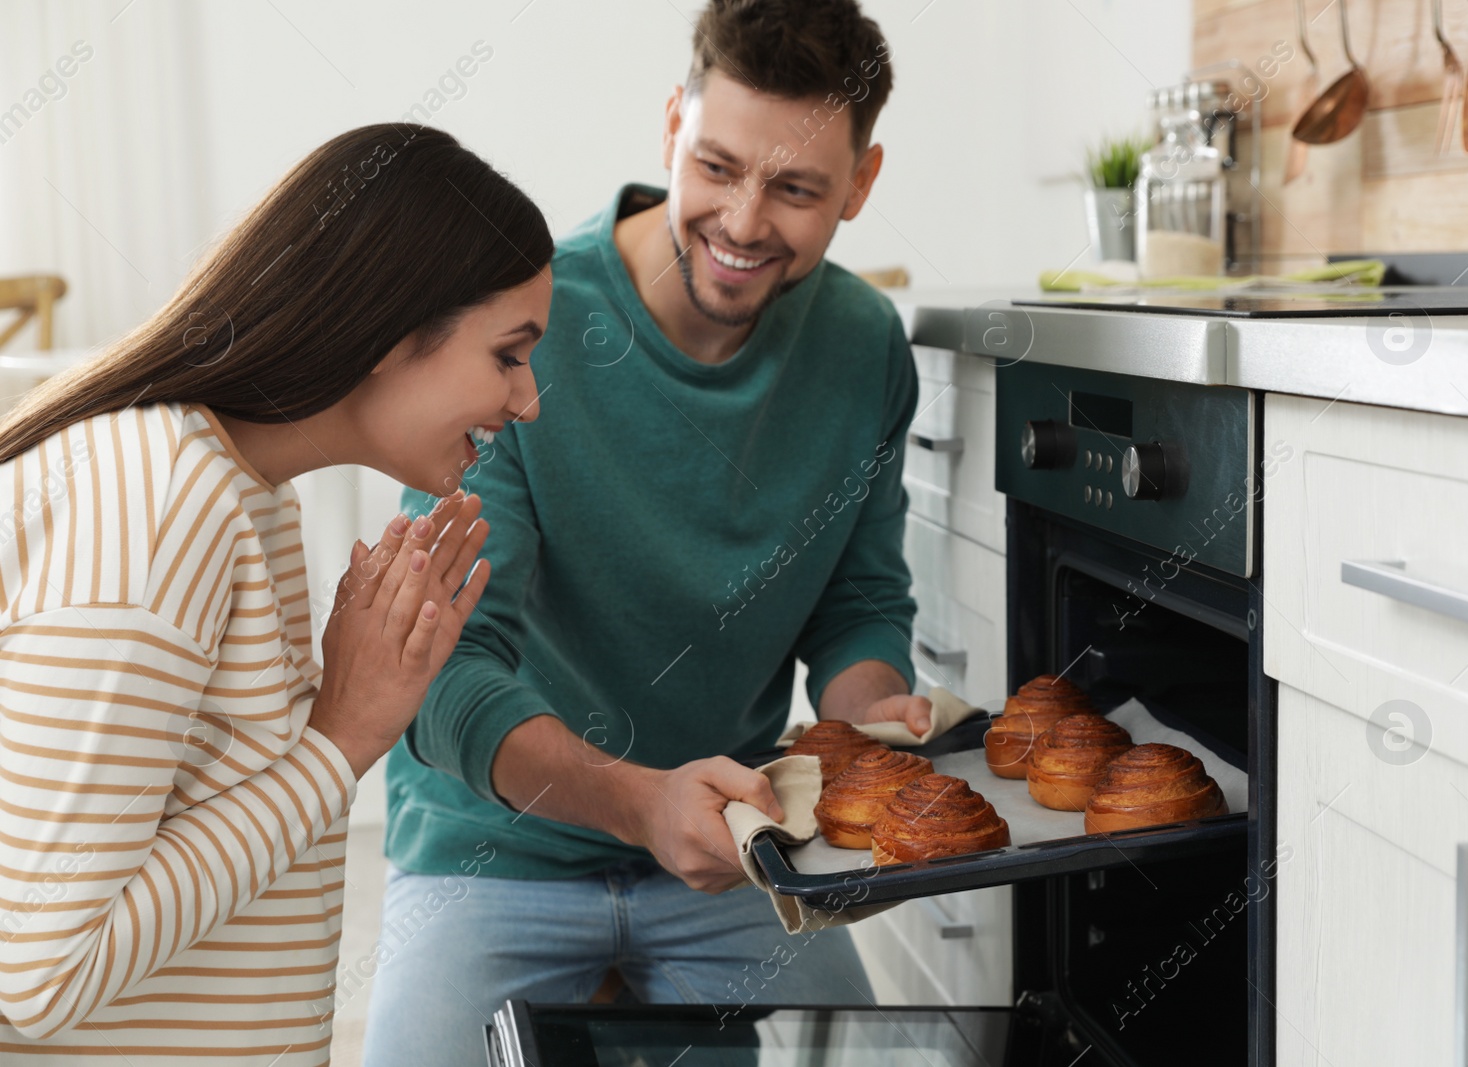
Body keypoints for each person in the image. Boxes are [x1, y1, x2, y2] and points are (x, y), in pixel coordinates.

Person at [362, 2, 926, 1061]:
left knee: (900, 1049)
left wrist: (870, 723)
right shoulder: (525, 330)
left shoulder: (861, 345)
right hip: (494, 850)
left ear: (861, 182)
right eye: (716, 165)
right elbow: (438, 675)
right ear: (672, 124)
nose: (745, 220)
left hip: (727, 850)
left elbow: (858, 602)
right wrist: (637, 803)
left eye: (797, 187)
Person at [0, 124, 551, 1065]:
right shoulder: (162, 501)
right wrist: (341, 741)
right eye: (508, 353)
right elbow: (43, 970)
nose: (528, 398)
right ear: (392, 331)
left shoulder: (244, 492)